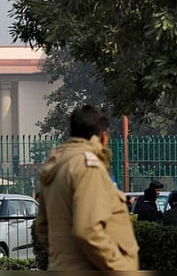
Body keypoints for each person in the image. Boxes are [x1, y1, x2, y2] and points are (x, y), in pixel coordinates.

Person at [36, 104, 138, 270]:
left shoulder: (59, 166)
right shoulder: (88, 167)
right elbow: (88, 230)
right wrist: (120, 266)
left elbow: (42, 228)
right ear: (104, 137)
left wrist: (67, 256)